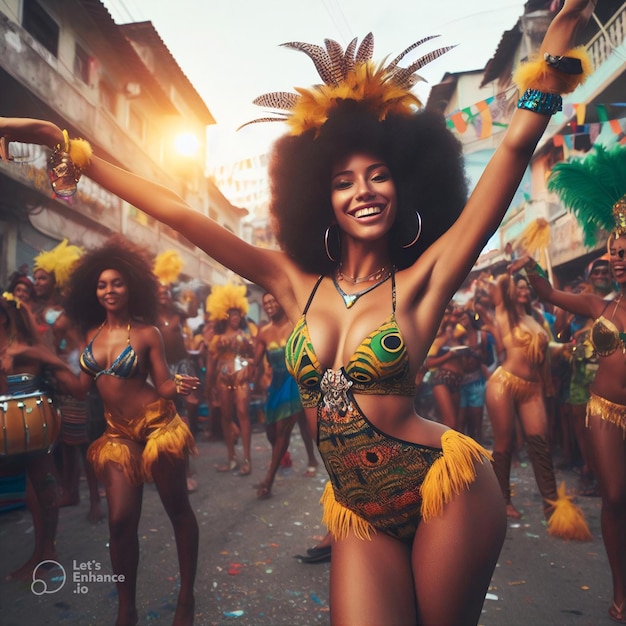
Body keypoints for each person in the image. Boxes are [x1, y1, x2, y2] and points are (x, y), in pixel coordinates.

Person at [0, 2, 598, 621]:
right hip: (353, 505)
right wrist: (65, 146)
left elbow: (513, 150)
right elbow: (181, 213)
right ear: (321, 196)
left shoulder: (425, 280)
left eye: (379, 176)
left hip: (440, 488)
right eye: (344, 181)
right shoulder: (292, 282)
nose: (363, 191)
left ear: (406, 185)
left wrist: (558, 33)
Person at [61, 235, 199, 626]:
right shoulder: (91, 336)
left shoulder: (145, 334)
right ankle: (127, 609)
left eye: (117, 283)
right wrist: (43, 360)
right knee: (120, 520)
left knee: (178, 510)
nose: (109, 290)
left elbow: (164, 384)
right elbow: (82, 387)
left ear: (130, 287)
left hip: (157, 426)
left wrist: (180, 385)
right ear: (95, 290)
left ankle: (186, 598)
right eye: (102, 284)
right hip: (118, 434)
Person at [517, 142, 626, 624]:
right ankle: (621, 588)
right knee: (616, 497)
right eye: (613, 252)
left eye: (624, 252)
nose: (617, 259)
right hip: (604, 409)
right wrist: (531, 269)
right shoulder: (599, 307)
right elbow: (547, 292)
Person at [483, 271, 591, 538]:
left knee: (540, 444)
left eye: (527, 288)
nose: (524, 292)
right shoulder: (505, 314)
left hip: (532, 388)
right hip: (504, 384)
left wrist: (564, 348)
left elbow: (546, 349)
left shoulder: (535, 318)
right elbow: (498, 287)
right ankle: (503, 501)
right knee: (504, 444)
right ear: (511, 291)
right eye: (519, 288)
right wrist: (513, 269)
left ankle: (551, 505)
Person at [0, 291, 77, 580]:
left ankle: (46, 554)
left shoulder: (22, 348)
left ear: (5, 317)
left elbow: (60, 364)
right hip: (9, 431)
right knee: (37, 492)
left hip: (30, 425)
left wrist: (18, 356)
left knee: (44, 489)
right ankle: (43, 553)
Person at [253, 292, 318, 499]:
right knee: (272, 430)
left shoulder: (295, 325)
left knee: (283, 430)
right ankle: (310, 459)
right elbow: (255, 363)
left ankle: (267, 482)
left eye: (273, 301)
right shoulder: (263, 333)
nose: (270, 305)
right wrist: (247, 375)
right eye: (266, 303)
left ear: (281, 302)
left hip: (294, 381)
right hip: (275, 385)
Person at [205, 283, 255, 476]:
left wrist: (248, 366)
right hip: (222, 378)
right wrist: (208, 388)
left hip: (241, 377)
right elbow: (211, 363)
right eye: (233, 315)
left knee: (243, 413)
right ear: (225, 316)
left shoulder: (244, 336)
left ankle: (247, 459)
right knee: (226, 417)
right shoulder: (217, 339)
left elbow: (255, 358)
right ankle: (232, 457)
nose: (236, 318)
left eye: (238, 315)